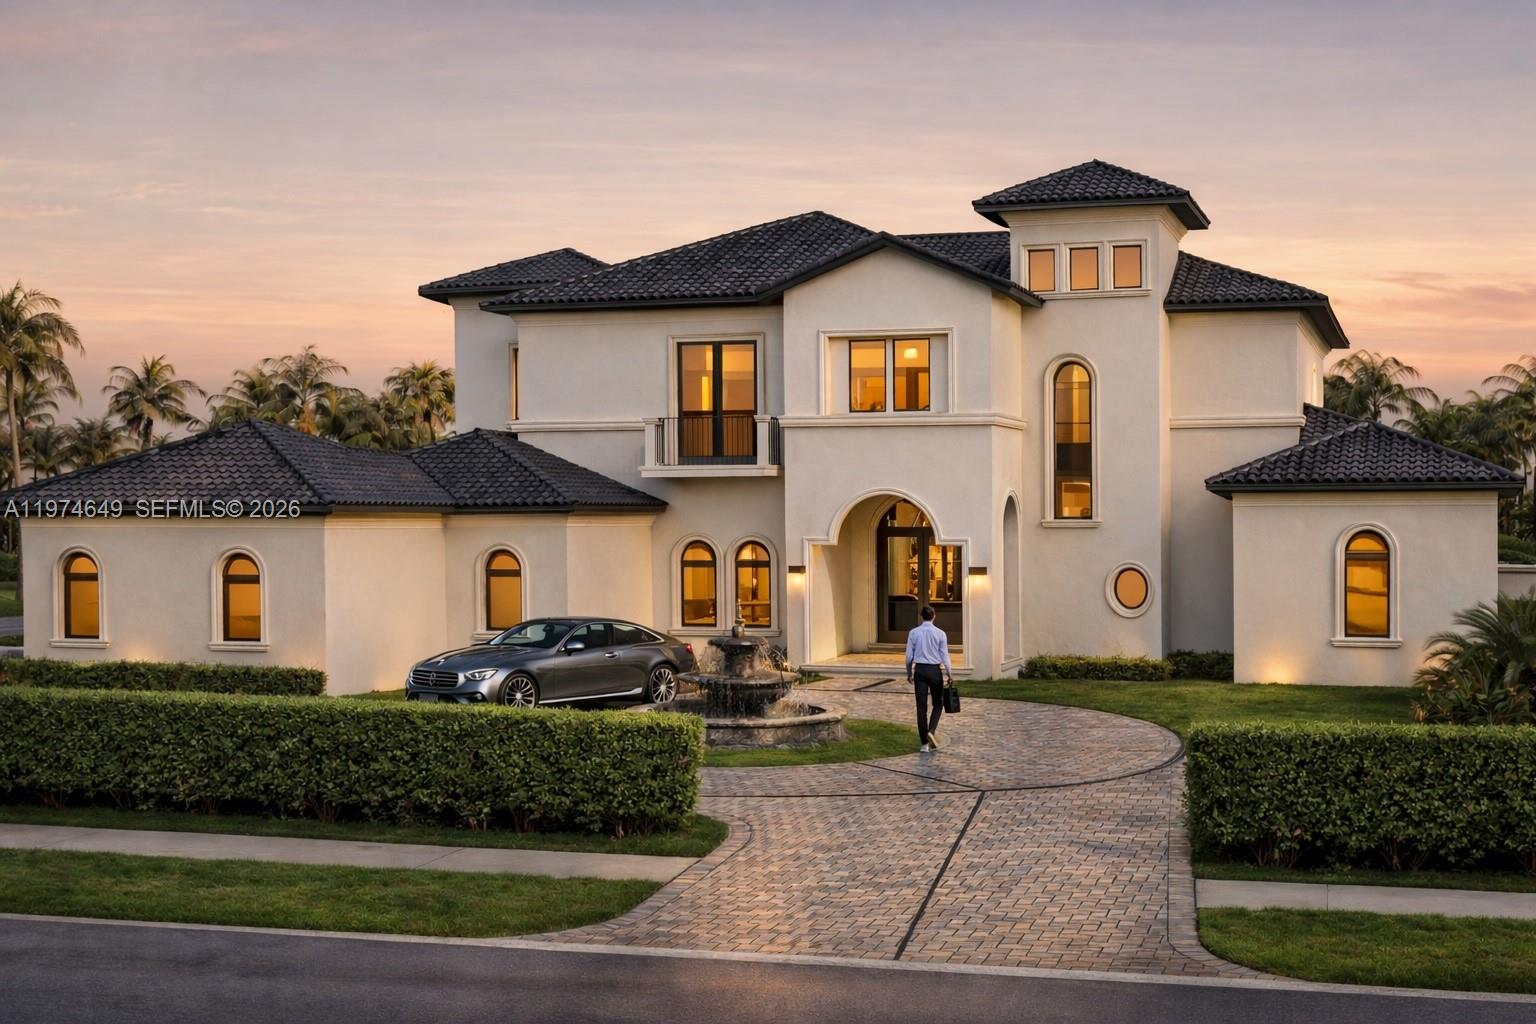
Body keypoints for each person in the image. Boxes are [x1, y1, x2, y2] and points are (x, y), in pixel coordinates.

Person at [904, 604, 952, 752]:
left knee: (921, 707)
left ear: (921, 616)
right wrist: (949, 674)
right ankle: (931, 731)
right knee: (938, 703)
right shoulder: (940, 633)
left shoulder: (913, 633)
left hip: (920, 670)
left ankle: (924, 743)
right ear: (934, 615)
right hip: (934, 671)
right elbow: (944, 655)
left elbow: (908, 656)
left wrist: (909, 673)